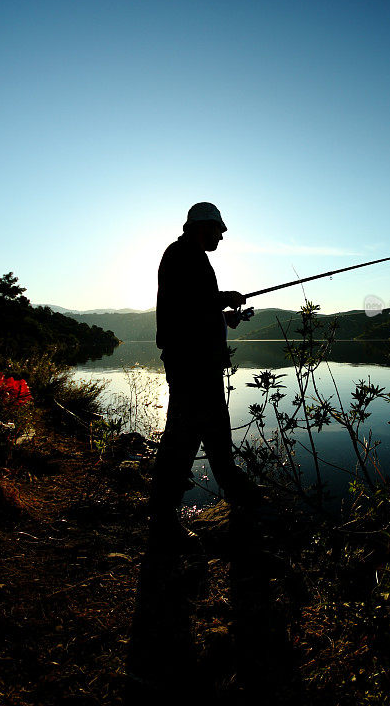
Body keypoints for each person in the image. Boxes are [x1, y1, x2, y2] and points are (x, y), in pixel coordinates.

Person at [148, 202, 258, 551]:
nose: (221, 236)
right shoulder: (182, 254)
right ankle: (164, 521)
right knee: (182, 441)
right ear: (201, 227)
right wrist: (224, 298)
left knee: (216, 436)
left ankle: (241, 504)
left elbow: (194, 313)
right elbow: (190, 303)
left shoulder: (191, 255)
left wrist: (226, 318)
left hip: (200, 364)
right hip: (191, 366)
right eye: (218, 230)